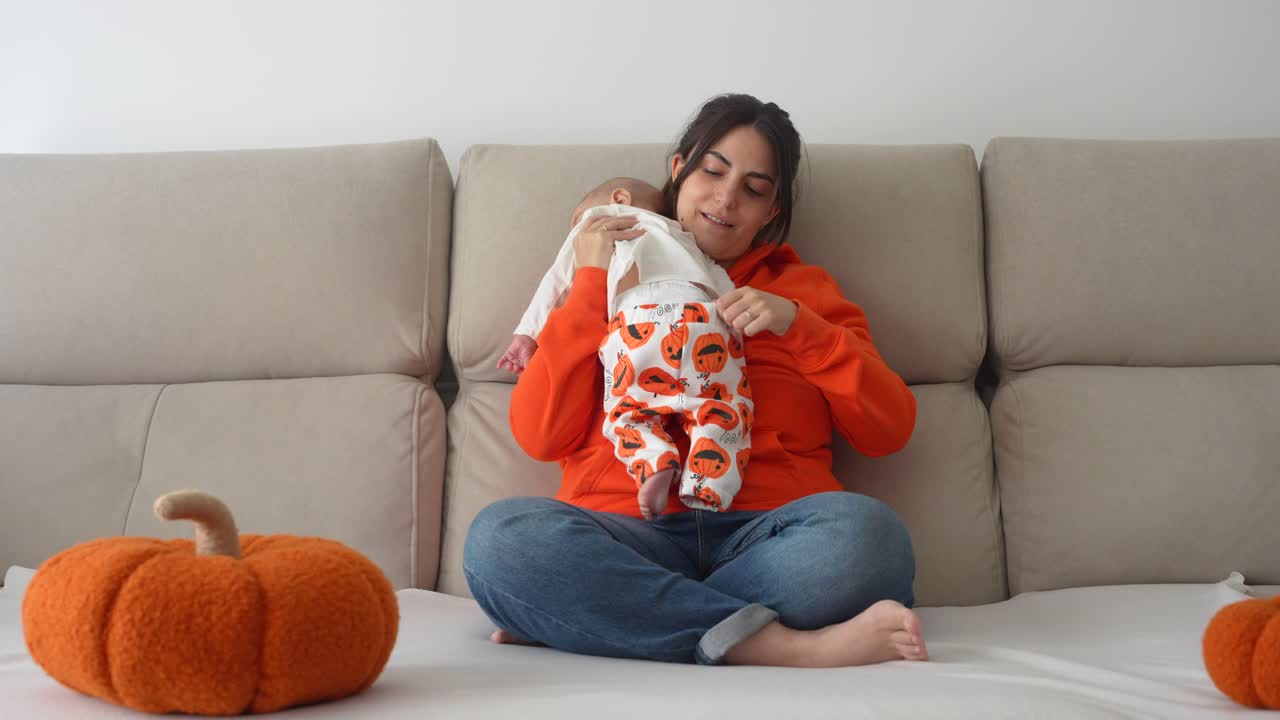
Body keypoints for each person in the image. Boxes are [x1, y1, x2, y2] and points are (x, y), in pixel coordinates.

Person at [464, 93, 927, 667]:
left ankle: (604, 618)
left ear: (771, 212)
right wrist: (588, 284)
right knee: (501, 540)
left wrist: (800, 328)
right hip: (626, 533)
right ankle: (782, 647)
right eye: (713, 171)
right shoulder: (601, 279)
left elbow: (889, 430)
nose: (727, 197)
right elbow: (539, 435)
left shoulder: (805, 292)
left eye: (754, 189)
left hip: (768, 538)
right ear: (679, 169)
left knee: (871, 538)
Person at [497, 177, 752, 519]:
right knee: (721, 405)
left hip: (636, 327)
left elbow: (555, 282)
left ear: (619, 199)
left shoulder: (598, 225)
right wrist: (731, 329)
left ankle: (654, 463)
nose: (575, 231)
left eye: (575, 220)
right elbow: (719, 283)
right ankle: (710, 486)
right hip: (702, 323)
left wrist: (527, 334)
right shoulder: (684, 237)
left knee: (628, 412)